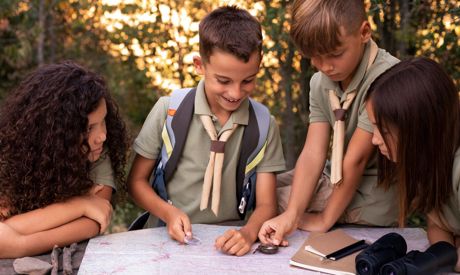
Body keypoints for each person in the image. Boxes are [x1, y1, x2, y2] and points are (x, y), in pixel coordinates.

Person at [128, 5, 285, 256]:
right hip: (167, 239)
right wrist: (169, 214)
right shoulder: (169, 110)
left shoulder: (264, 123)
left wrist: (248, 232)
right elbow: (135, 182)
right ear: (200, 65)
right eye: (223, 81)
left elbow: (267, 204)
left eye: (248, 80)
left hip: (232, 241)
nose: (235, 93)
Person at [259, 0, 400, 246]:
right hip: (331, 174)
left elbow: (355, 160)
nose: (325, 66)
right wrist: (292, 215)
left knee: (264, 200)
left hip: (370, 191)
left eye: (335, 54)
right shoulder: (320, 82)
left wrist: (323, 219)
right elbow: (313, 152)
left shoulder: (386, 79)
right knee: (259, 183)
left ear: (364, 33)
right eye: (314, 57)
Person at [0, 61, 129, 258]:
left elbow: (95, 221)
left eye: (103, 121)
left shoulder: (98, 153)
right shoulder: (12, 156)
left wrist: (22, 244)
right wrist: (80, 205)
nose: (102, 135)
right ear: (56, 135)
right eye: (89, 128)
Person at [365, 57, 460, 272]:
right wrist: (447, 252)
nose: (374, 139)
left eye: (384, 130)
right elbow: (437, 225)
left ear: (419, 129)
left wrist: (447, 256)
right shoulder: (428, 160)